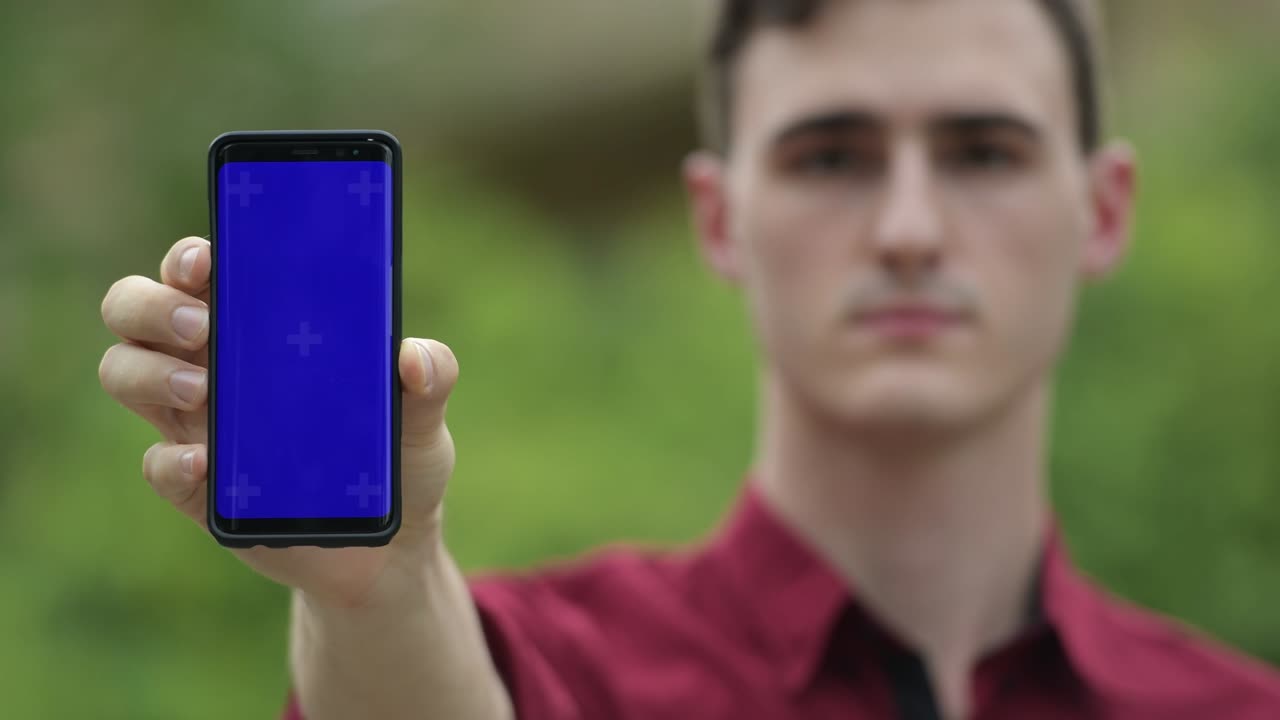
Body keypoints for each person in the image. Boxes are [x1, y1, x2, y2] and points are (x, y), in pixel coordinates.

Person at [97, 0, 1280, 718]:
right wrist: (377, 592)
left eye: (983, 151)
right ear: (716, 219)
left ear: (1105, 207)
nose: (909, 228)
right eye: (830, 157)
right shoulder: (561, 671)